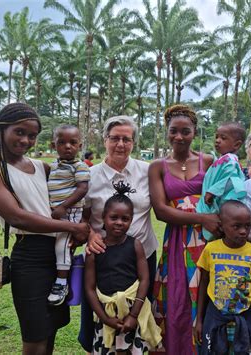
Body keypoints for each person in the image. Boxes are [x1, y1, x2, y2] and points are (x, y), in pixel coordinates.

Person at [0, 103, 90, 354]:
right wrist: (72, 226)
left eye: (32, 135)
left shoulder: (42, 167)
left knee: (52, 328)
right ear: (2, 129)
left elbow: (74, 192)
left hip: (59, 253)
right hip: (30, 257)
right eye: (19, 132)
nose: (26, 140)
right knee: (35, 335)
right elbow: (18, 218)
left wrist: (82, 225)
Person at [78, 115, 159, 352]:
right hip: (101, 258)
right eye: (115, 138)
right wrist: (91, 234)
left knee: (138, 321)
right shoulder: (89, 175)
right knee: (100, 319)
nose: (120, 144)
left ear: (134, 142)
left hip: (142, 256)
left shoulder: (148, 171)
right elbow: (81, 218)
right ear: (105, 140)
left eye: (127, 139)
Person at [149, 104, 220, 353]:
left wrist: (208, 222)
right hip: (178, 241)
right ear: (166, 132)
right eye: (173, 131)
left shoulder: (208, 162)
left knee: (205, 294)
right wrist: (202, 218)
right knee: (177, 298)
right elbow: (160, 210)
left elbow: (222, 197)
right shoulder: (157, 166)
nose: (179, 137)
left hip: (207, 240)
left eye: (185, 131)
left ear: (194, 133)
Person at [85, 181, 162, 354]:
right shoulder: (95, 251)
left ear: (131, 220)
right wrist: (105, 319)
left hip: (132, 312)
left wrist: (133, 315)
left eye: (125, 219)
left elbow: (144, 279)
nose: (119, 222)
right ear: (103, 217)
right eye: (114, 218)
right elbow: (89, 289)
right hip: (106, 314)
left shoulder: (135, 245)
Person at [194, 201, 251, 354]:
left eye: (247, 226)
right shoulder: (211, 249)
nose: (243, 231)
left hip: (245, 317)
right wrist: (199, 321)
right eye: (236, 226)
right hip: (215, 316)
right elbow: (203, 284)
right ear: (222, 225)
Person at [47, 124, 90, 305]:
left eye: (73, 143)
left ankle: (61, 282)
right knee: (56, 245)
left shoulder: (79, 166)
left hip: (70, 211)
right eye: (62, 142)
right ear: (53, 145)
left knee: (62, 245)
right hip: (55, 213)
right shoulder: (53, 166)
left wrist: (63, 207)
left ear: (80, 146)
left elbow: (82, 189)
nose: (67, 146)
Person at [196, 121, 247, 241]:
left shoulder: (231, 160)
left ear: (236, 145)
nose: (218, 140)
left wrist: (213, 191)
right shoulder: (222, 159)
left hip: (220, 201)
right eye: (217, 137)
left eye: (223, 138)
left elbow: (233, 180)